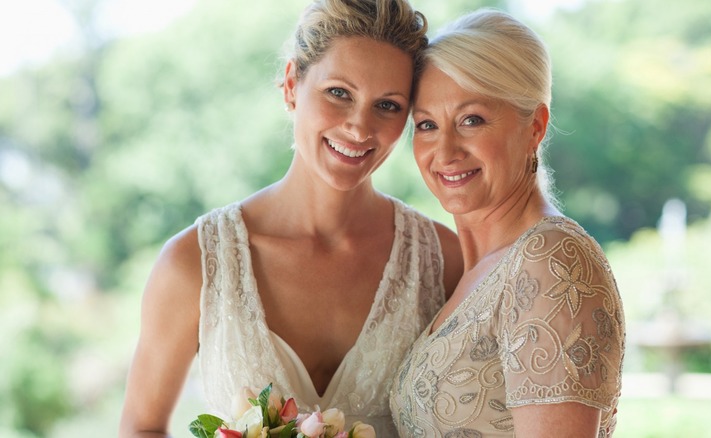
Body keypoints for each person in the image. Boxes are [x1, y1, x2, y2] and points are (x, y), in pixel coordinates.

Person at [119, 1, 464, 436]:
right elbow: (141, 427)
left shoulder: (443, 262)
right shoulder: (194, 263)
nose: (359, 128)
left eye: (388, 105)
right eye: (339, 93)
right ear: (290, 85)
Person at [389, 9, 625, 438]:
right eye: (426, 125)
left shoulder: (551, 258)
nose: (444, 151)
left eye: (471, 120)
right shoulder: (471, 272)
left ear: (535, 126)